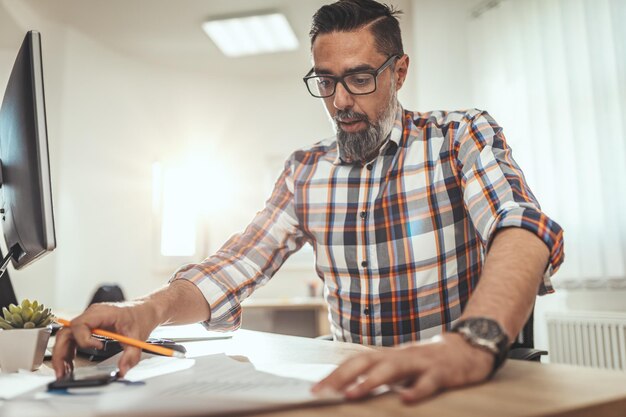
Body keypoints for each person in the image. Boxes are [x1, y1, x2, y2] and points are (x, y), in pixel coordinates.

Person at [53, 0, 564, 403]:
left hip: (455, 381)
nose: (341, 101)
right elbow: (236, 263)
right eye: (325, 81)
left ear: (399, 72)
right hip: (359, 386)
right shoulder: (305, 169)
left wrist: (470, 345)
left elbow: (521, 227)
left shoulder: (458, 136)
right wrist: (147, 309)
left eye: (360, 78)